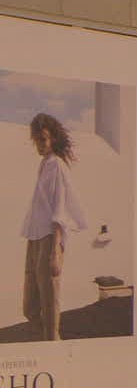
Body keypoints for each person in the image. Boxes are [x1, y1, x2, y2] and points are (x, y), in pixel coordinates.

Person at [20, 114, 87, 341]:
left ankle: (53, 344)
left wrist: (55, 251)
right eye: (37, 140)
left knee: (49, 303)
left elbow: (60, 207)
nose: (39, 145)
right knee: (30, 307)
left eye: (44, 139)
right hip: (34, 237)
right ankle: (46, 342)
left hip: (50, 239)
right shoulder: (44, 164)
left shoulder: (56, 165)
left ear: (53, 139)